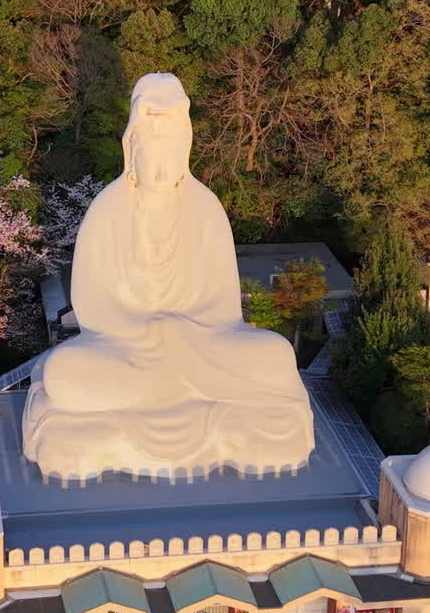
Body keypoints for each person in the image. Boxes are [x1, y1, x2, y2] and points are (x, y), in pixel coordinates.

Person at [23, 73, 314, 479]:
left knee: (276, 356)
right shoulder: (108, 211)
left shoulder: (205, 208)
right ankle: (214, 409)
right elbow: (94, 307)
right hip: (128, 348)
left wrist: (181, 329)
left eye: (172, 153)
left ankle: (122, 417)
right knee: (65, 372)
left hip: (203, 341)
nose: (162, 167)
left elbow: (221, 304)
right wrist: (145, 330)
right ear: (133, 152)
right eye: (153, 154)